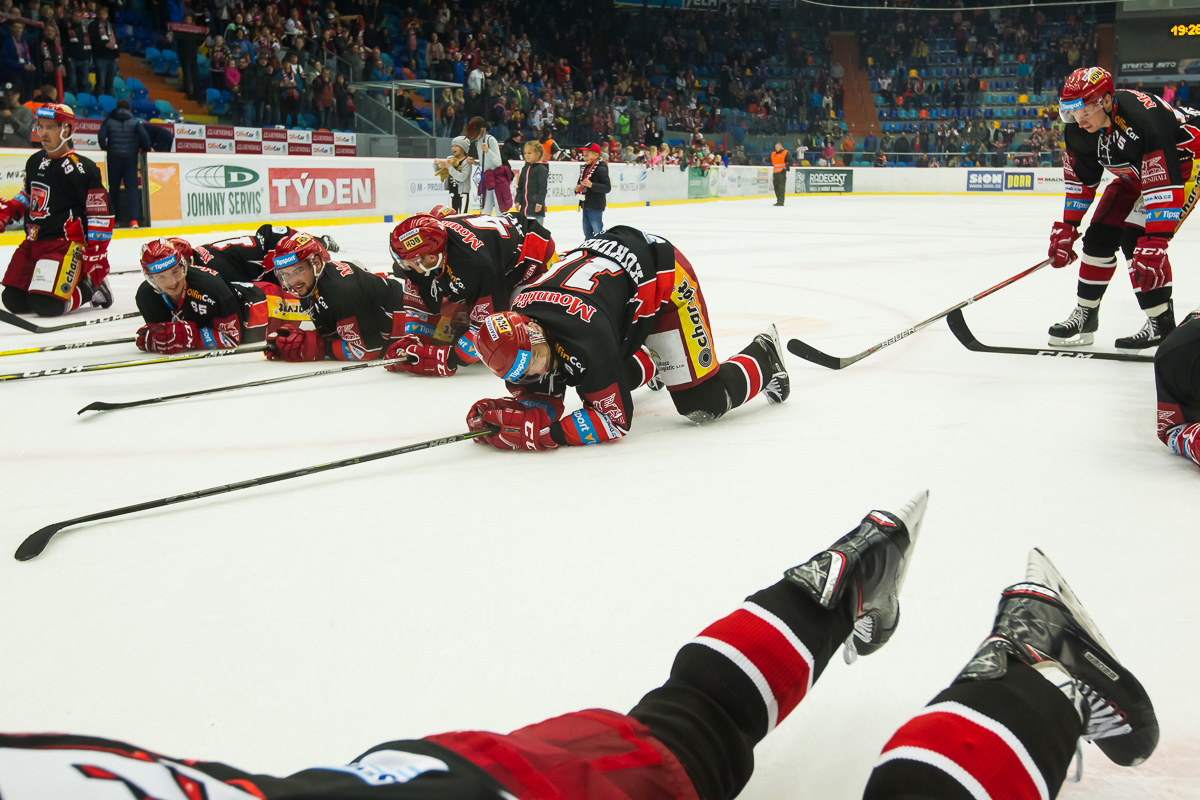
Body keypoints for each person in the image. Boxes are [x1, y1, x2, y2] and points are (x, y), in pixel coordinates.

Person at [0, 494, 1160, 800]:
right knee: (669, 740)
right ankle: (842, 587)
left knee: (671, 744)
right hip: (437, 784)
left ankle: (1033, 662)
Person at [466, 226, 790, 451]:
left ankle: (765, 356)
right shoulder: (525, 329)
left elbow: (615, 421)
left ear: (537, 332)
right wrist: (514, 411)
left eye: (536, 358)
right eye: (524, 372)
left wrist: (547, 436)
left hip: (664, 278)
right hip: (614, 284)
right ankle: (659, 360)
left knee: (702, 403)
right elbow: (543, 392)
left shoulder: (584, 337)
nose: (536, 371)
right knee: (597, 373)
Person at [1047, 66, 1200, 349]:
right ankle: (1086, 314)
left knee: (1139, 241)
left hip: (1184, 166)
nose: (1079, 121)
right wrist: (1068, 226)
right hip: (1136, 173)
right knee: (1098, 237)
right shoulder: (1080, 130)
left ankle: (1161, 322)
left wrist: (1156, 240)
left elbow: (1162, 183)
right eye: (1072, 112)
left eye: (1084, 111)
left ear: (1106, 101)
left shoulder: (1142, 121)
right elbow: (1081, 181)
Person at [385, 208, 556, 377]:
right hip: (498, 263)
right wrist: (413, 338)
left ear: (430, 258)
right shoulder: (434, 248)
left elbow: (491, 327)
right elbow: (421, 300)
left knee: (516, 335)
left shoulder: (474, 265)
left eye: (408, 262)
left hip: (534, 262)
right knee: (447, 332)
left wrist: (451, 358)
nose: (406, 267)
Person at [0, 104, 114, 317]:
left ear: (67, 130)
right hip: (33, 243)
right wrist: (8, 211)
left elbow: (99, 214)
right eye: (40, 127)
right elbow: (29, 195)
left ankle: (90, 287)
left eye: (50, 127)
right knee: (13, 300)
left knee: (46, 306)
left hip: (64, 245)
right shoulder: (35, 161)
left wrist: (96, 252)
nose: (42, 133)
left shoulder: (83, 169)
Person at [133, 237, 303, 353]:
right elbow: (164, 330)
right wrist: (155, 337)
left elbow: (232, 338)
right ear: (150, 279)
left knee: (310, 303)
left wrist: (192, 337)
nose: (172, 282)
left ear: (183, 266)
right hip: (246, 298)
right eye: (161, 277)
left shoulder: (209, 286)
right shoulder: (145, 297)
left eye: (175, 271)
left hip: (266, 305)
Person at [266, 231, 406, 362]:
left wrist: (317, 347)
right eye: (286, 274)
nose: (292, 281)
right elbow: (335, 332)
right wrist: (297, 339)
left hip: (407, 317)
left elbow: (367, 350)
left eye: (298, 271)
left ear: (316, 263)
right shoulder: (309, 284)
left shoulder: (340, 293)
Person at [1154, 306, 1200, 468]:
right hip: (1181, 352)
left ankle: (1185, 434)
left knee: (1175, 429)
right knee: (1175, 429)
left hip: (1175, 348)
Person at [98, 98, 150, 229]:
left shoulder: (109, 120)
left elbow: (101, 136)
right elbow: (145, 137)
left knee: (113, 189)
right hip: (130, 159)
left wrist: (106, 148)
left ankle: (115, 220)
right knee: (132, 189)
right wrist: (145, 149)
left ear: (117, 107)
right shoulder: (134, 121)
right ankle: (134, 221)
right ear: (129, 109)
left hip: (113, 158)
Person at [465, 115, 503, 214]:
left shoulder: (490, 140)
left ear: (481, 129)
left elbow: (498, 162)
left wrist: (487, 150)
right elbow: (485, 162)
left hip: (497, 177)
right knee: (486, 205)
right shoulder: (478, 143)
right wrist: (476, 162)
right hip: (487, 177)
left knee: (498, 206)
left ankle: (501, 221)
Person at [575, 142, 610, 239]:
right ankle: (589, 247)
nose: (585, 157)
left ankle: (600, 245)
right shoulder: (585, 168)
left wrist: (592, 185)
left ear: (596, 155)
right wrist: (577, 189)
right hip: (585, 204)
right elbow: (580, 183)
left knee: (597, 231)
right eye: (584, 155)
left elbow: (607, 188)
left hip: (596, 206)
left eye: (587, 154)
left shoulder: (601, 169)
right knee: (587, 232)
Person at [434, 136, 472, 215]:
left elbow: (462, 177)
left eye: (456, 146)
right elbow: (438, 170)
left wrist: (449, 167)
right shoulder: (450, 159)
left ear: (463, 147)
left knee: (461, 216)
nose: (453, 148)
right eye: (452, 146)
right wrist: (437, 163)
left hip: (463, 194)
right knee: (451, 216)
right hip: (452, 193)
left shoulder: (467, 162)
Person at [514, 140, 548, 226]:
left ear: (538, 153)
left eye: (529, 153)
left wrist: (539, 203)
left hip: (536, 209)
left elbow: (542, 188)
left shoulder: (541, 169)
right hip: (524, 209)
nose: (526, 155)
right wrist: (518, 200)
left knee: (536, 231)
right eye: (525, 153)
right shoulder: (525, 168)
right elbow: (520, 186)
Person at [88, 6, 119, 97]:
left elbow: (116, 40)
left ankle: (108, 100)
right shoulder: (93, 25)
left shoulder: (111, 26)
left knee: (110, 82)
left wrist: (117, 55)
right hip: (100, 56)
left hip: (112, 57)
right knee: (100, 82)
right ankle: (98, 98)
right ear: (98, 15)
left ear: (107, 15)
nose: (102, 16)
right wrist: (105, 45)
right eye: (101, 14)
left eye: (104, 14)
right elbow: (93, 40)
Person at [1, 21, 34, 101]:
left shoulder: (24, 42)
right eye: (15, 27)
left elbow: (28, 56)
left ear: (22, 29)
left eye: (20, 28)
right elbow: (6, 59)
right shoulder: (7, 42)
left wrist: (31, 65)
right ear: (11, 29)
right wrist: (21, 66)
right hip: (13, 73)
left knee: (29, 90)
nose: (18, 30)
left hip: (25, 72)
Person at [768, 141, 791, 206]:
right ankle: (778, 200)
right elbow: (770, 159)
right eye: (775, 147)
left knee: (781, 187)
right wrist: (765, 159)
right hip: (775, 173)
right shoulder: (774, 154)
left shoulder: (785, 153)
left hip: (781, 173)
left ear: (780, 146)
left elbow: (791, 161)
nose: (776, 148)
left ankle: (781, 201)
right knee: (776, 187)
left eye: (777, 147)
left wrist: (786, 168)